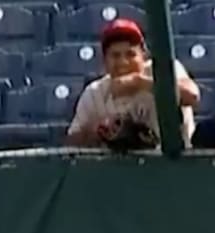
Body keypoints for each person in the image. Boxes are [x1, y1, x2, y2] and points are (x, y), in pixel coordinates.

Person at [65, 18, 199, 149]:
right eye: (115, 55)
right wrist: (99, 130)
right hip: (119, 169)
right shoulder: (95, 92)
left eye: (131, 54)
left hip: (175, 165)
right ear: (105, 61)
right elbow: (71, 142)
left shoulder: (161, 70)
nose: (123, 62)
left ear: (143, 55)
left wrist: (139, 82)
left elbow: (192, 96)